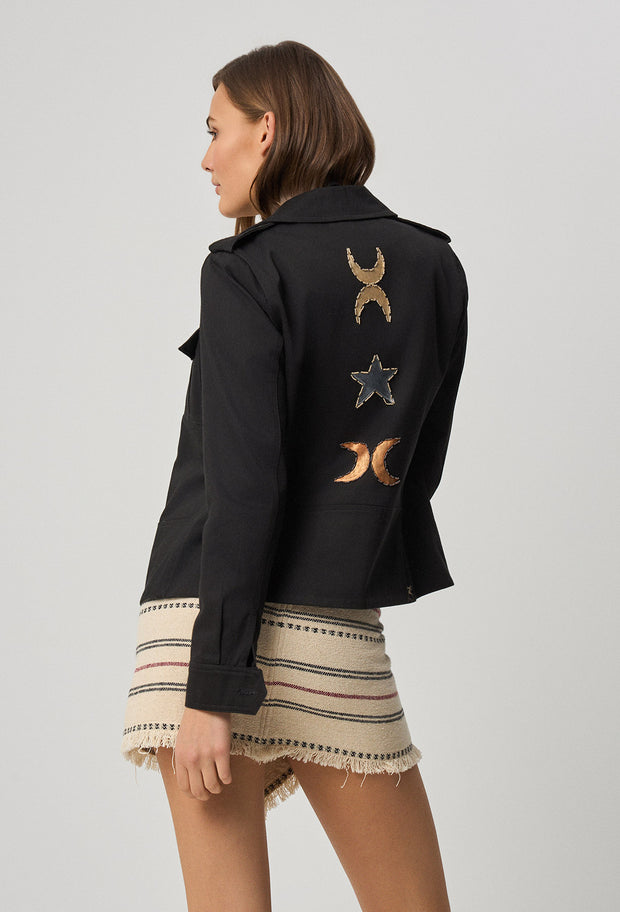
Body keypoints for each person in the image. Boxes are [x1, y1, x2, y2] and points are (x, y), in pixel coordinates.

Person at [121, 39, 467, 912]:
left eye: (215, 130)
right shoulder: (434, 265)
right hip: (332, 622)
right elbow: (415, 470)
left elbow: (241, 490)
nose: (206, 158)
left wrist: (212, 688)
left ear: (267, 130)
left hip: (204, 628)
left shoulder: (245, 269)